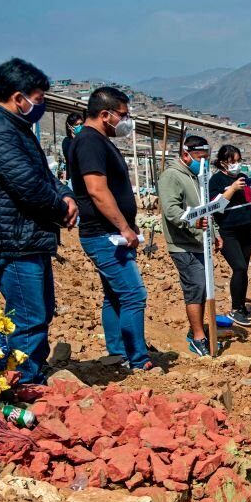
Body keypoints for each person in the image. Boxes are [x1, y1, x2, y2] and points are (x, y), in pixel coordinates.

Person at [0, 58, 78, 384]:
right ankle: (22, 381)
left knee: (39, 309)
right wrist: (61, 207)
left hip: (26, 236)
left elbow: (42, 175)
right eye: (38, 98)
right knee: (29, 315)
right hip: (12, 240)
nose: (40, 105)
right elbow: (28, 185)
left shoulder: (16, 129)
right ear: (19, 98)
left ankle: (31, 372)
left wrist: (66, 194)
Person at [69, 86, 152, 370]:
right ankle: (137, 359)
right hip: (104, 234)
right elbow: (97, 191)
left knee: (115, 295)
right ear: (105, 114)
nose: (127, 121)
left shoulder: (101, 141)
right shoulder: (90, 143)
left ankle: (118, 351)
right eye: (123, 115)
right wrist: (124, 228)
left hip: (111, 232)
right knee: (133, 294)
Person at [158, 135, 244, 356]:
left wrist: (214, 232)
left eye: (206, 158)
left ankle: (196, 330)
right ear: (186, 154)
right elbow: (171, 211)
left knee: (203, 287)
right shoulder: (172, 176)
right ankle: (198, 337)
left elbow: (205, 207)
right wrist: (193, 221)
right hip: (183, 243)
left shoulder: (197, 177)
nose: (204, 162)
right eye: (200, 157)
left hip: (199, 241)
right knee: (195, 286)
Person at [208, 144, 251, 326]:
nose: (236, 165)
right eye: (232, 161)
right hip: (229, 231)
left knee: (244, 269)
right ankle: (235, 309)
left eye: (238, 161)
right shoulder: (216, 181)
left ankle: (241, 305)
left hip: (246, 229)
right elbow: (216, 206)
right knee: (238, 267)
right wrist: (232, 188)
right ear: (223, 163)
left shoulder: (243, 178)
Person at [60, 112, 84, 179]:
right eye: (76, 124)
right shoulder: (67, 142)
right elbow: (73, 157)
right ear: (69, 126)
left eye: (81, 124)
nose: (80, 127)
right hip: (73, 179)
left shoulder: (84, 139)